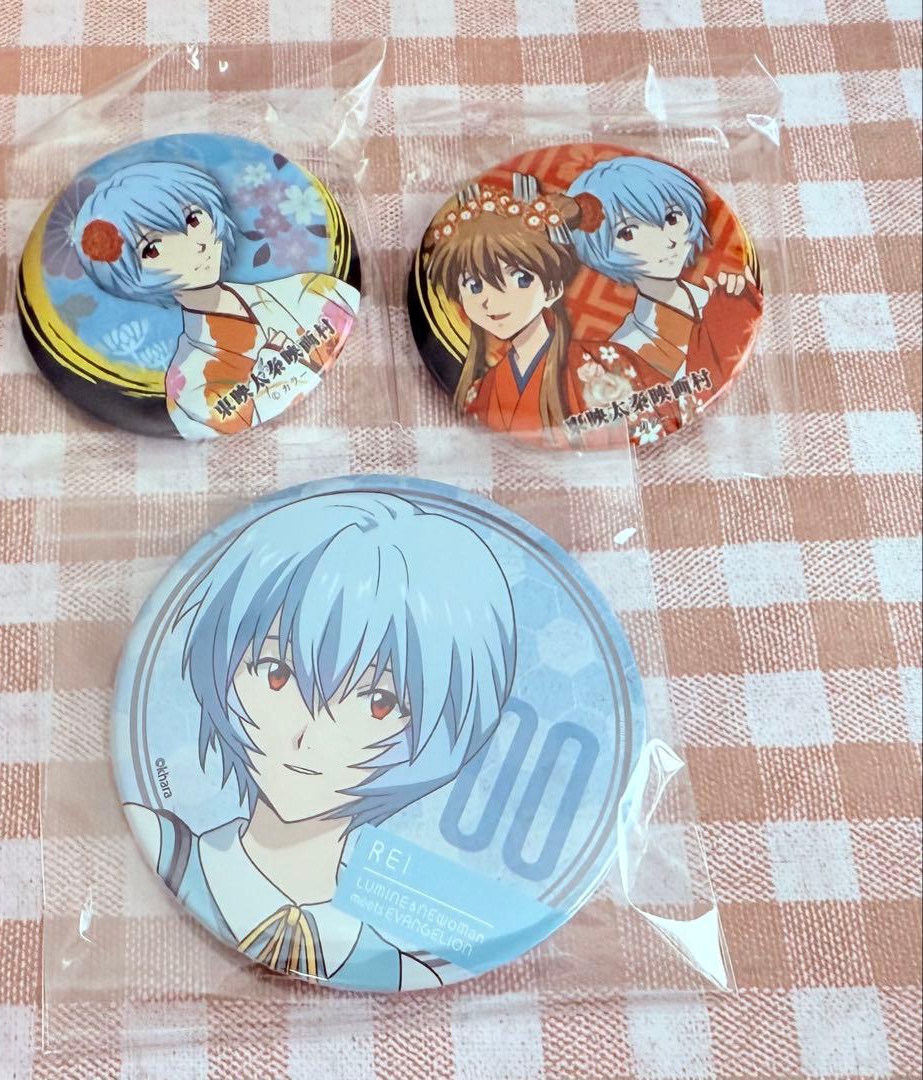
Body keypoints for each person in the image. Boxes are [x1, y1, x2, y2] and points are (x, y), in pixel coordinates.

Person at [124, 490, 518, 991]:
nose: (309, 737)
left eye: (379, 704)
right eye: (276, 673)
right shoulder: (158, 846)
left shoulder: (404, 970)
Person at [72, 160, 358, 438]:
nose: (193, 245)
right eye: (153, 249)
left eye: (193, 219)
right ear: (129, 279)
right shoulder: (189, 382)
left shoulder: (309, 290)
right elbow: (227, 421)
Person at [566, 154, 762, 432]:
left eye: (672, 218)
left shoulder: (721, 295)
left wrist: (736, 306)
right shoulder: (626, 346)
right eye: (628, 233)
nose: (666, 241)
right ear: (600, 251)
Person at [424, 173, 615, 441]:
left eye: (520, 279)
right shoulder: (481, 391)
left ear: (552, 289)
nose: (491, 300)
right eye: (474, 286)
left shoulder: (601, 367)